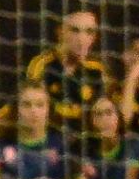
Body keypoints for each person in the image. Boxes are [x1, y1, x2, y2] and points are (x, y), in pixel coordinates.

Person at [24, 9, 110, 147]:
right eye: (75, 30)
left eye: (89, 32)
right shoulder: (42, 65)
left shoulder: (97, 70)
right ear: (60, 32)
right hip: (49, 143)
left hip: (86, 146)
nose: (82, 39)